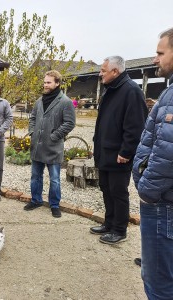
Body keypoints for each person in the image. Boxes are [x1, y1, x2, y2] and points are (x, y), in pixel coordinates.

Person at [132, 27, 173, 299]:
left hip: (162, 205)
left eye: (160, 53)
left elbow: (168, 151)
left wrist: (147, 190)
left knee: (158, 283)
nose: (155, 59)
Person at [91, 56, 148, 245]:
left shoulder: (131, 91)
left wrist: (126, 152)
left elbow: (135, 127)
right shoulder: (111, 90)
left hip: (119, 155)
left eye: (103, 70)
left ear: (115, 72)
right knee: (106, 189)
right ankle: (109, 223)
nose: (100, 74)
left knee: (118, 192)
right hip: (105, 152)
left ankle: (119, 229)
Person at [25, 70, 76, 218]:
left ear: (57, 83)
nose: (45, 85)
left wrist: (55, 135)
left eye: (48, 82)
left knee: (54, 179)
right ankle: (36, 200)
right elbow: (32, 118)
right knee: (35, 176)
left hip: (53, 147)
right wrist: (32, 132)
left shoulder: (65, 102)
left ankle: (54, 204)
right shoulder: (39, 101)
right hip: (37, 147)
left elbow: (70, 123)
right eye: (45, 82)